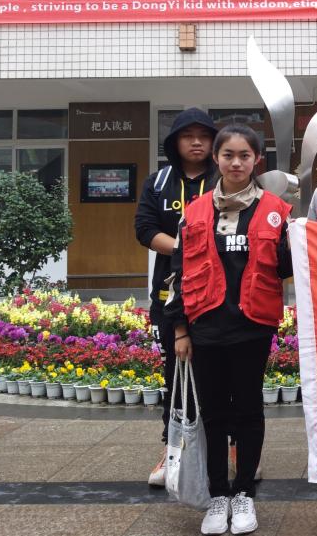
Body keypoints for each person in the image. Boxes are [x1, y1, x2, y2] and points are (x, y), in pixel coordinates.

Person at [166, 124, 293, 535]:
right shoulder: (195, 211)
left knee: (249, 411)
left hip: (253, 328)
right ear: (216, 159)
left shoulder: (277, 210)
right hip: (206, 328)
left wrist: (308, 238)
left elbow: (289, 267)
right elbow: (179, 273)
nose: (236, 163)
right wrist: (180, 330)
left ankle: (244, 495)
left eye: (244, 156)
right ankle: (218, 495)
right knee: (214, 413)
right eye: (228, 155)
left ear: (257, 160)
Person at [134, 107, 217, 487]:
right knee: (176, 374)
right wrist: (188, 247)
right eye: (188, 136)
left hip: (220, 293)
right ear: (174, 142)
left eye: (204, 136)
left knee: (223, 374)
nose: (196, 142)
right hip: (171, 294)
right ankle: (173, 449)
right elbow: (145, 229)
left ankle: (230, 446)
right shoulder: (159, 182)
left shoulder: (226, 179)